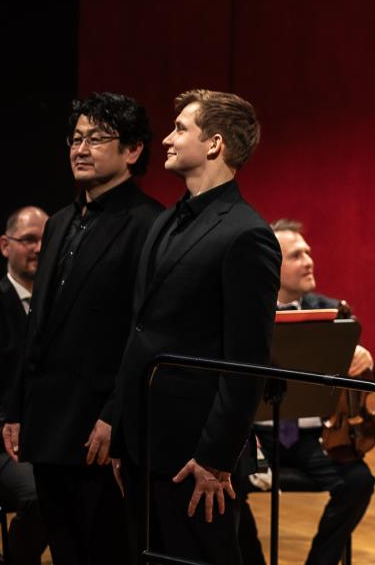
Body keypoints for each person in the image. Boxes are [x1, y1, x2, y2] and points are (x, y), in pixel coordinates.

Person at [109, 89, 281, 565]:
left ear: (214, 145)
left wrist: (215, 457)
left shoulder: (247, 234)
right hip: (145, 443)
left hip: (194, 456)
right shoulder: (164, 222)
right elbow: (140, 331)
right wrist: (123, 433)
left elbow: (246, 360)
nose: (166, 138)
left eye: (180, 128)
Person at [6, 94, 162, 565]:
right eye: (76, 138)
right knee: (65, 548)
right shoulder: (57, 223)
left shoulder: (150, 224)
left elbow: (145, 330)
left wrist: (116, 414)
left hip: (99, 423)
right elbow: (39, 323)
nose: (81, 148)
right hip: (48, 418)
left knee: (107, 551)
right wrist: (17, 406)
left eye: (97, 138)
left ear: (133, 151)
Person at [234, 220, 375, 565]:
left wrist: (363, 357)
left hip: (313, 437)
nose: (309, 261)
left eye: (308, 252)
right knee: (227, 486)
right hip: (255, 438)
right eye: (296, 255)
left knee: (358, 481)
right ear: (270, 264)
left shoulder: (331, 310)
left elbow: (357, 381)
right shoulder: (245, 314)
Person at [0, 207, 47, 565]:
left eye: (45, 240)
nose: (38, 248)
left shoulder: (55, 307)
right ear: (5, 245)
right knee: (44, 493)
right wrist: (17, 435)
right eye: (28, 240)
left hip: (45, 440)